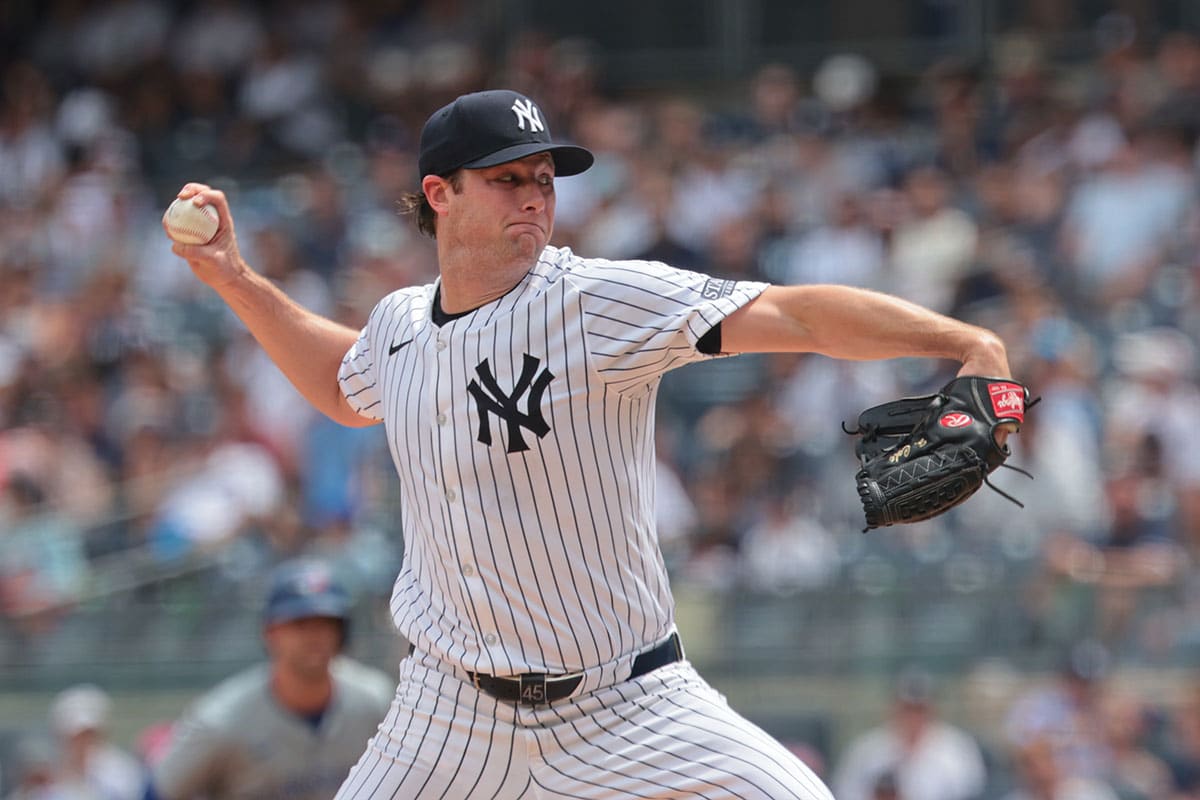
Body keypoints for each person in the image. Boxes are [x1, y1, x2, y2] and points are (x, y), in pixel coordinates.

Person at [166, 88, 1020, 799]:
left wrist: (967, 344)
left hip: (629, 701)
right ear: (439, 194)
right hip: (447, 716)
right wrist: (235, 279)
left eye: (545, 177)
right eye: (507, 179)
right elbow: (343, 386)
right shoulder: (398, 326)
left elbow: (796, 313)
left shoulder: (598, 302)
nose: (535, 195)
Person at [143, 558, 393, 800]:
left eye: (327, 623)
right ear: (270, 632)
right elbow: (158, 792)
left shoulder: (376, 702)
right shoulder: (221, 719)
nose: (315, 636)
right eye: (300, 624)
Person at [831, 668, 987, 800]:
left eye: (919, 709)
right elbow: (845, 791)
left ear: (932, 708)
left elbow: (970, 791)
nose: (913, 717)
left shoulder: (957, 747)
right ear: (894, 707)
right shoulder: (867, 748)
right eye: (908, 709)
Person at [48, 684, 144, 800]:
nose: (82, 742)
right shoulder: (49, 772)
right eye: (77, 736)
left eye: (88, 734)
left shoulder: (123, 771)